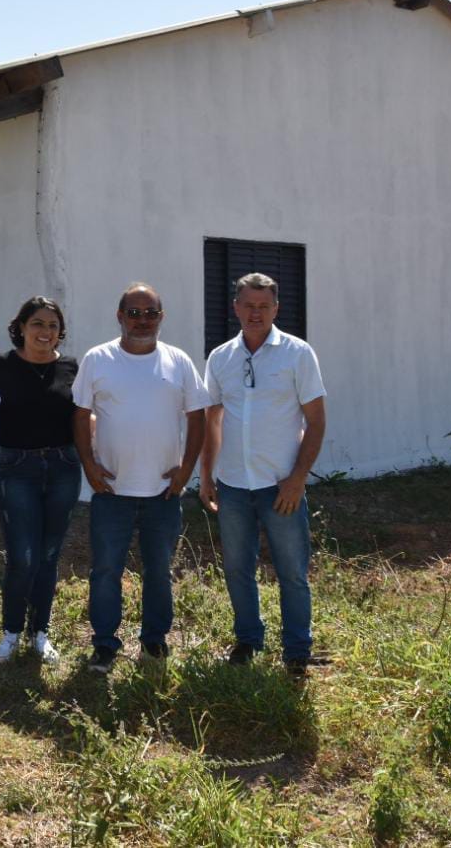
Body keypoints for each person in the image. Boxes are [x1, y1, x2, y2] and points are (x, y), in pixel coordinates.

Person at [73, 283, 207, 673]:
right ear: (119, 317)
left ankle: (154, 641)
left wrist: (186, 470)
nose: (142, 320)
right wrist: (89, 465)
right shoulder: (98, 359)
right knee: (105, 571)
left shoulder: (178, 361)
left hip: (163, 492)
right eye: (134, 313)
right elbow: (80, 415)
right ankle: (104, 644)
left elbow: (196, 415)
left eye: (150, 313)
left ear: (161, 318)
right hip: (111, 490)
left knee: (159, 572)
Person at [199, 273, 327, 676]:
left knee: (292, 571)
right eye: (248, 305)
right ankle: (248, 641)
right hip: (234, 486)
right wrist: (206, 476)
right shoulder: (221, 358)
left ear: (276, 309)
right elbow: (212, 422)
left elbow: (317, 421)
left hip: (281, 486)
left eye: (264, 306)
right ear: (235, 307)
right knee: (237, 569)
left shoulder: (297, 354)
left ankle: (296, 651)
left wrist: (297, 478)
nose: (255, 313)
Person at [0, 297, 81, 665]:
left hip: (63, 466)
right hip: (17, 468)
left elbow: (84, 417)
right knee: (22, 556)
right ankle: (11, 631)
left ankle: (40, 632)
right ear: (22, 327)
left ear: (60, 333)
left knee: (48, 554)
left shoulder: (73, 368)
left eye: (53, 326)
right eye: (38, 324)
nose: (45, 332)